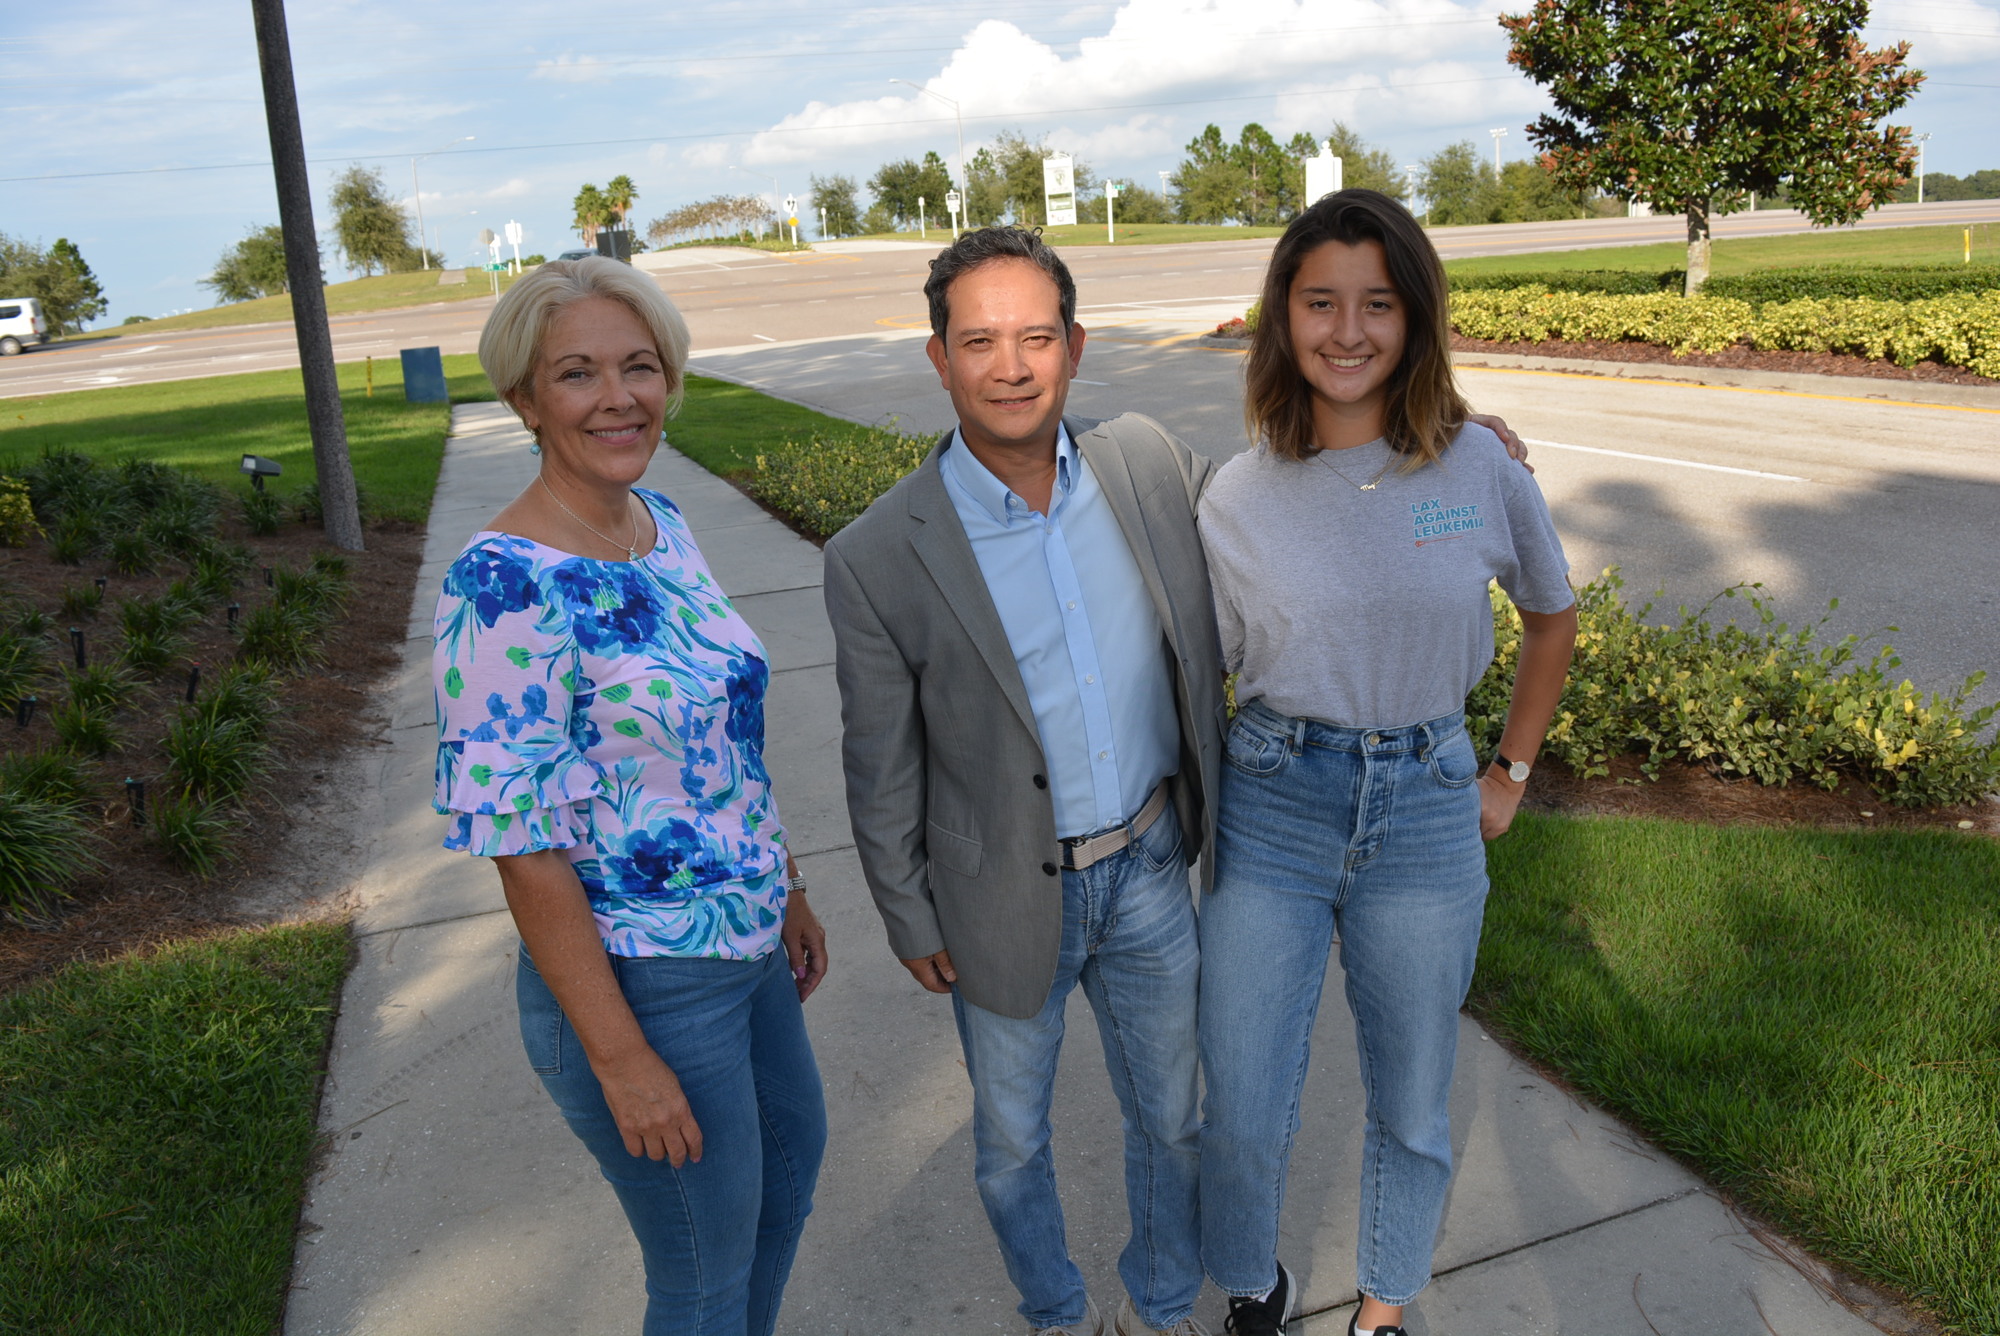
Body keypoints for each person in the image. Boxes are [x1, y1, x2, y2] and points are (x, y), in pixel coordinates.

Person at [823, 226, 1223, 1336]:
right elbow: (879, 762)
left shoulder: (1143, 462)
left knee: (1175, 1120)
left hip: (1147, 865)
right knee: (1008, 1144)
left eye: (1035, 336)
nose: (1011, 365)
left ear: (1075, 347)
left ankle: (1158, 1303)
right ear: (938, 358)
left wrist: (1436, 440)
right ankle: (1053, 1310)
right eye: (980, 340)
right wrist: (906, 911)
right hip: (997, 891)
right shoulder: (876, 553)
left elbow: (1273, 505)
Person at [1193, 189, 1580, 1336]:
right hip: (1272, 803)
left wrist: (1506, 772)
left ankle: (1382, 1307)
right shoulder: (1236, 492)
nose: (1347, 330)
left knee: (1410, 1096)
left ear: (1413, 319)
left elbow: (1549, 618)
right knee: (1242, 1102)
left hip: (1422, 807)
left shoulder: (1475, 465)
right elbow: (1194, 668)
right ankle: (1250, 1283)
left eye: (1376, 303)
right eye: (1319, 302)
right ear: (1282, 316)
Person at [430, 256, 828, 1336]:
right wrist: (620, 1056)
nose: (618, 396)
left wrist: (784, 884)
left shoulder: (659, 520)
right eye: (578, 373)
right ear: (524, 398)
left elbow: (720, 738)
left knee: (780, 1198)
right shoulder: (504, 582)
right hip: (644, 983)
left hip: (744, 950)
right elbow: (523, 846)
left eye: (640, 366)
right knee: (699, 1274)